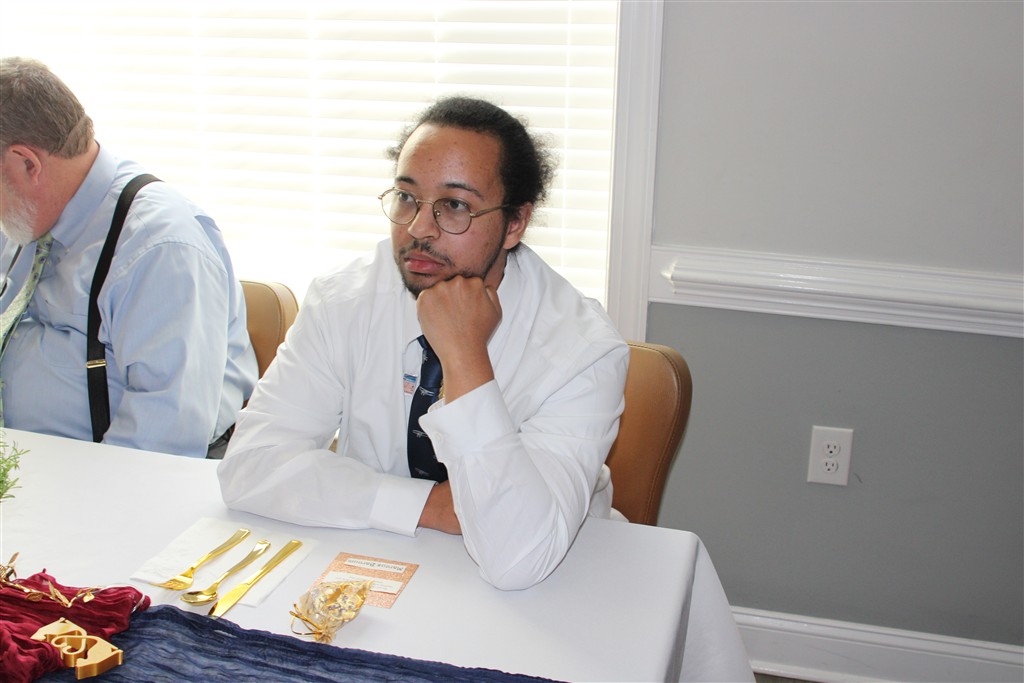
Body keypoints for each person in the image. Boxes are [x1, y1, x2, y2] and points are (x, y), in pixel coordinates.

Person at [218, 96, 629, 590]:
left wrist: (464, 355)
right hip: (378, 553)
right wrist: (427, 506)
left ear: (515, 223)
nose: (417, 229)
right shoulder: (343, 298)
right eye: (407, 197)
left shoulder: (581, 348)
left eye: (455, 206)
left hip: (558, 590)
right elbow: (249, 465)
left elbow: (519, 558)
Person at [0, 57, 257, 458]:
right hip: (26, 469)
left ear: (27, 163)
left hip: (112, 477)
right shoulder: (26, 216)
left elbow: (162, 440)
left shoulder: (159, 248)